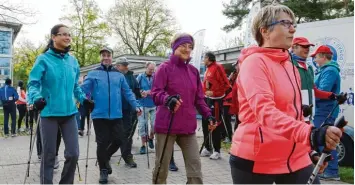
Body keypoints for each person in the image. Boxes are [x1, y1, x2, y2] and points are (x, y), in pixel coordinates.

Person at [229, 4, 343, 184]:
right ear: (265, 31)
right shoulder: (254, 63)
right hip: (257, 159)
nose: (292, 28)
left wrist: (309, 150)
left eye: (293, 24)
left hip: (295, 157)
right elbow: (265, 112)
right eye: (285, 23)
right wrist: (311, 134)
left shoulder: (290, 66)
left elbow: (294, 113)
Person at [27, 24, 94, 184]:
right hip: (49, 112)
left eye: (69, 34)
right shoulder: (43, 59)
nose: (67, 37)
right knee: (49, 155)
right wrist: (36, 98)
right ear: (53, 37)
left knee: (73, 154)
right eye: (63, 34)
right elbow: (33, 83)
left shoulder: (73, 61)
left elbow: (75, 86)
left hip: (69, 113)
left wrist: (83, 99)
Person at [151, 33, 215, 184]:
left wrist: (208, 115)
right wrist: (167, 99)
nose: (187, 49)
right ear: (174, 47)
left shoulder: (193, 72)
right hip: (167, 126)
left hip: (187, 127)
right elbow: (155, 93)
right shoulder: (164, 68)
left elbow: (199, 98)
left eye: (190, 47)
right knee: (161, 170)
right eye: (183, 46)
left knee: (196, 171)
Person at [81, 46, 141, 184]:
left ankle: (105, 157)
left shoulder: (119, 75)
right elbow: (83, 90)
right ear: (101, 58)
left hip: (116, 114)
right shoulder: (93, 73)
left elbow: (127, 92)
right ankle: (103, 171)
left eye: (108, 55)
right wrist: (85, 99)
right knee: (102, 143)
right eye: (103, 55)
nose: (106, 57)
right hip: (99, 115)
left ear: (112, 57)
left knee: (120, 140)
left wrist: (136, 105)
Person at [291, 37, 346, 122]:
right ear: (294, 48)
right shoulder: (288, 65)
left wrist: (334, 96)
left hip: (308, 116)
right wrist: (299, 106)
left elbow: (315, 91)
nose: (307, 49)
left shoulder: (309, 68)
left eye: (308, 47)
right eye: (304, 46)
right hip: (294, 116)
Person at [312, 45, 342, 180]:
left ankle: (331, 172)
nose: (314, 59)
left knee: (326, 139)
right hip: (322, 110)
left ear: (323, 56)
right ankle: (328, 170)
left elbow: (322, 92)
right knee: (324, 139)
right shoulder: (324, 70)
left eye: (316, 57)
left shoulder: (329, 70)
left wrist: (311, 89)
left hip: (326, 110)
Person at [201, 52, 231, 160]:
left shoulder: (217, 67)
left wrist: (214, 92)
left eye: (204, 57)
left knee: (214, 125)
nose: (203, 59)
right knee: (205, 123)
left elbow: (226, 84)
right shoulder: (207, 69)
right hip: (207, 100)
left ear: (208, 58)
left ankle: (217, 150)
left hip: (216, 102)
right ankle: (207, 148)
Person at [115, 57, 141, 168]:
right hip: (114, 109)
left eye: (126, 64)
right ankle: (106, 155)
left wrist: (141, 94)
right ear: (117, 66)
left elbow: (136, 90)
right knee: (112, 134)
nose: (126, 67)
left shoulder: (131, 76)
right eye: (123, 65)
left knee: (127, 134)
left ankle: (127, 156)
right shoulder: (112, 75)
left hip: (128, 111)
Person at [136, 61, 156, 154]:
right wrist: (141, 92)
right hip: (142, 104)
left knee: (154, 124)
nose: (152, 71)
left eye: (153, 69)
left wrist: (149, 92)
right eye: (150, 69)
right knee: (143, 125)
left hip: (154, 104)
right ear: (146, 68)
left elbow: (158, 89)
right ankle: (143, 145)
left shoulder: (156, 77)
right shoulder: (140, 77)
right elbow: (135, 88)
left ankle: (151, 138)